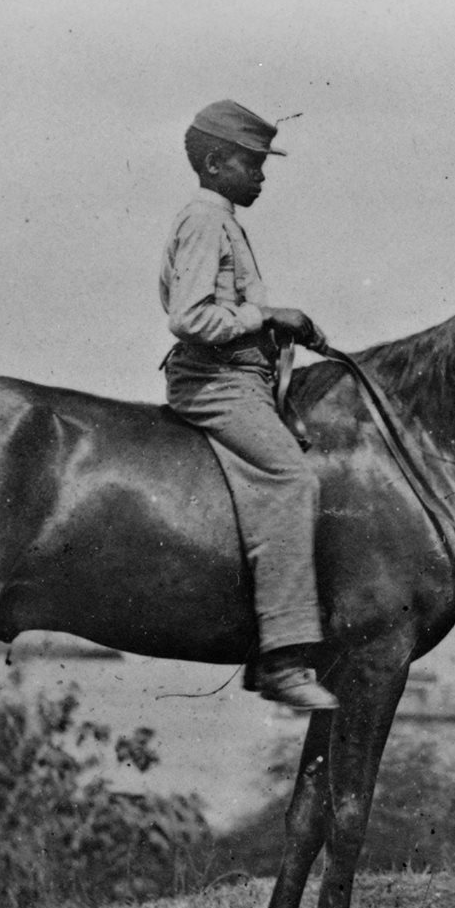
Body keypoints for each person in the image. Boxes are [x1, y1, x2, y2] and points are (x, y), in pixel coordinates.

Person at [159, 100, 338, 714]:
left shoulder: (222, 220)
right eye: (252, 164)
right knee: (291, 480)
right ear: (215, 163)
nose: (261, 176)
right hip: (216, 381)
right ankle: (282, 660)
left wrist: (279, 326)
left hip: (243, 376)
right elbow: (189, 317)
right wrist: (265, 316)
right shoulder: (205, 221)